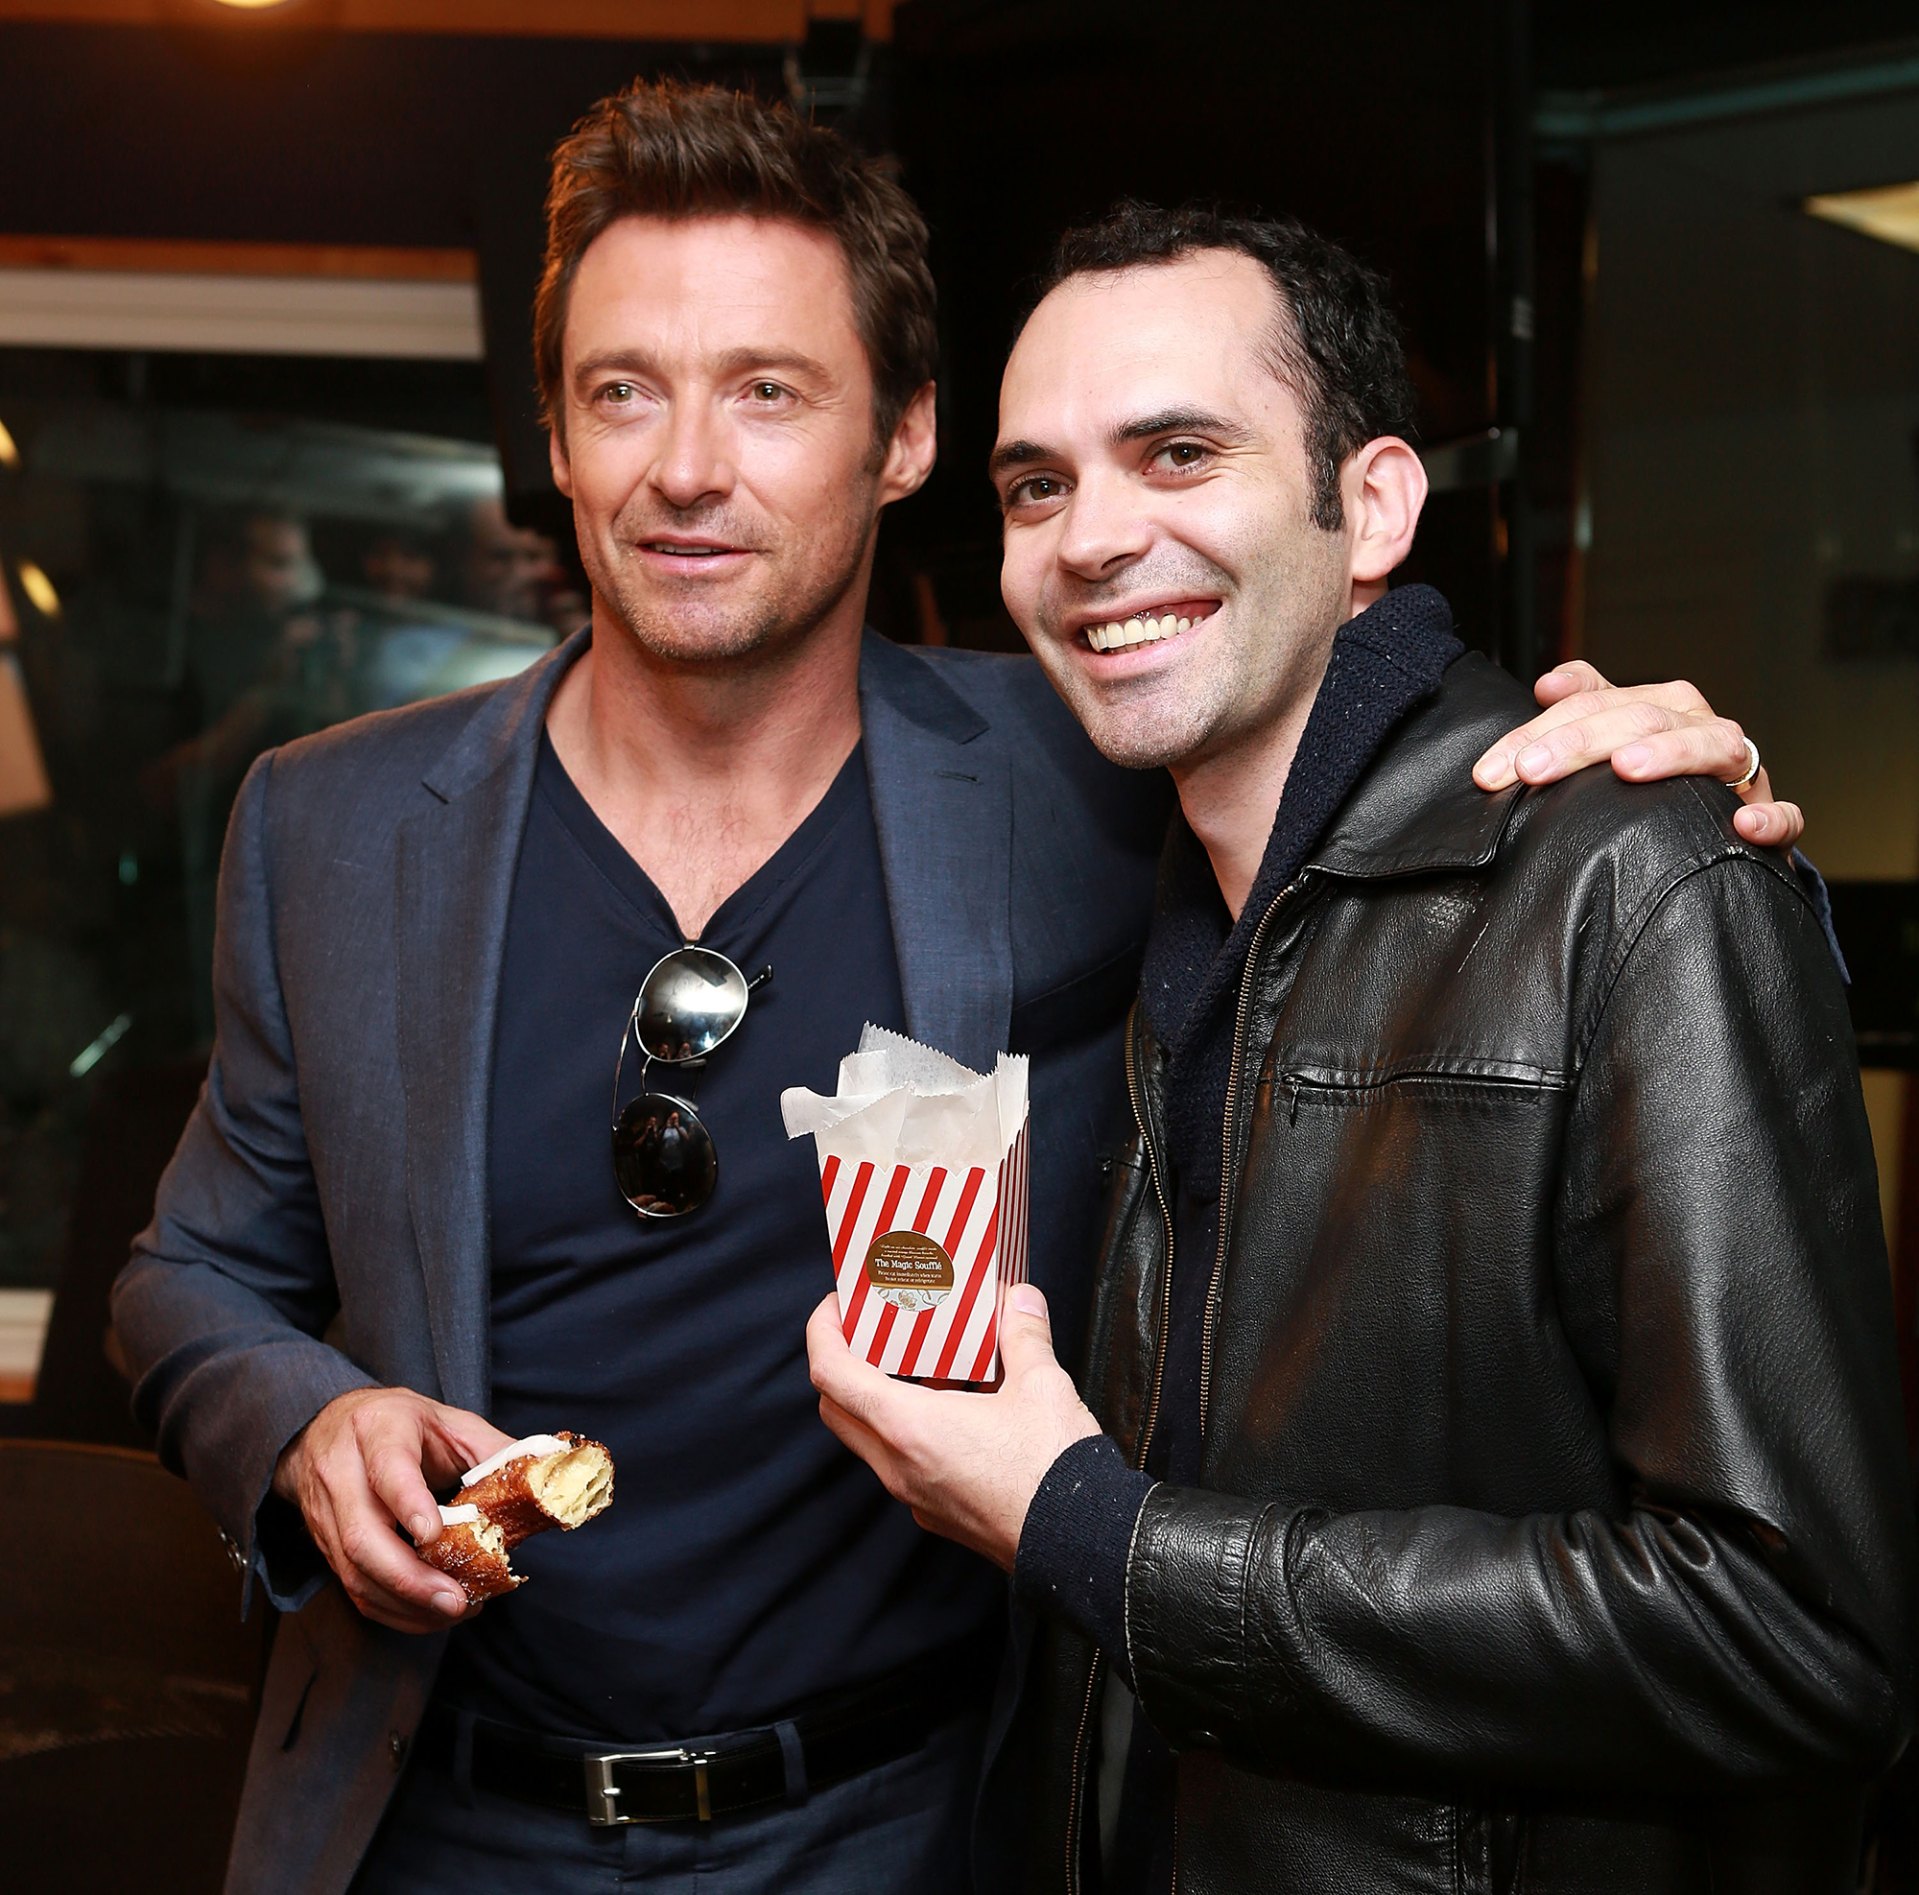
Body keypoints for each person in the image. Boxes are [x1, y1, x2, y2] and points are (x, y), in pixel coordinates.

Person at [112, 84, 1803, 1895]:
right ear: (558, 436)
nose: (687, 467)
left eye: (770, 391)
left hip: (919, 1822)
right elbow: (184, 1274)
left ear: (907, 435)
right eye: (623, 392)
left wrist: (1640, 782)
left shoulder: (1091, 770)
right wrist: (304, 1426)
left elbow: (1345, 737)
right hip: (438, 1820)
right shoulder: (335, 824)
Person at [805, 202, 1916, 1895]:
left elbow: (1795, 1639)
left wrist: (1086, 1529)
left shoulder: (1632, 875)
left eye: (1180, 454)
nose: (1091, 538)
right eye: (1037, 486)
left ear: (1374, 506)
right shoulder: (1155, 898)